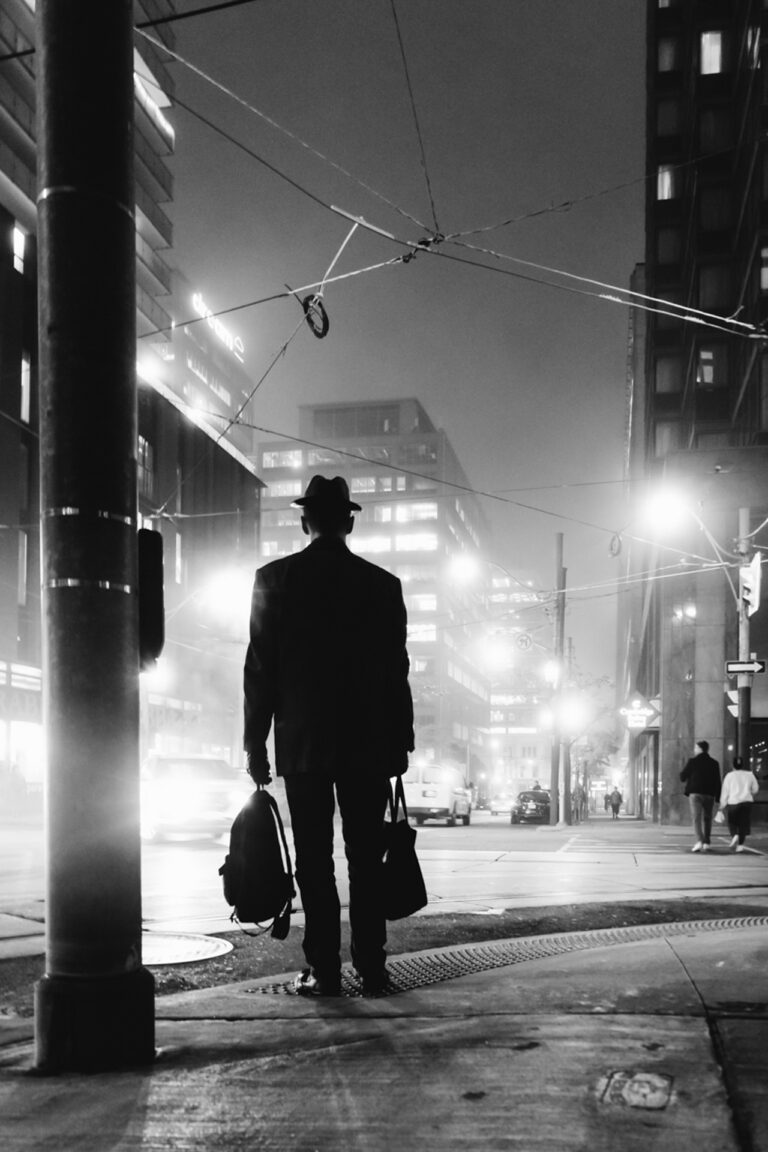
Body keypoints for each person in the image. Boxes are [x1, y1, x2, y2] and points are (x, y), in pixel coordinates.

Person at [243, 475, 414, 998]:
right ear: (349, 522)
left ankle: (323, 970)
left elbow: (260, 670)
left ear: (304, 522)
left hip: (303, 747)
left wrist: (256, 743)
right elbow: (395, 672)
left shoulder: (274, 579)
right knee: (365, 860)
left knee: (314, 862)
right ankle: (373, 969)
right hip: (367, 748)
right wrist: (400, 743)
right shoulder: (382, 586)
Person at [680, 739, 721, 853]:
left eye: (695, 748)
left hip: (695, 793)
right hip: (710, 794)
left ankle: (699, 841)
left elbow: (682, 776)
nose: (694, 750)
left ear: (700, 749)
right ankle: (707, 842)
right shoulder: (714, 763)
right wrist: (718, 797)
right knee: (707, 818)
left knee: (696, 818)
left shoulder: (693, 762)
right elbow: (718, 781)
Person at [719, 755, 759, 853]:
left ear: (733, 765)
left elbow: (725, 792)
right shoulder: (750, 774)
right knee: (743, 824)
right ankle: (740, 845)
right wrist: (750, 793)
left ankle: (734, 835)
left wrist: (722, 805)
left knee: (732, 822)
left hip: (733, 802)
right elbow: (755, 789)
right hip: (746, 802)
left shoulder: (729, 776)